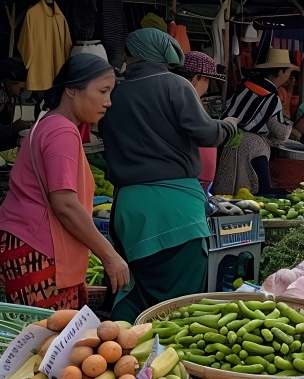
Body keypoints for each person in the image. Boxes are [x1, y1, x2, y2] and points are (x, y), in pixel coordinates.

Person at [100, 28, 237, 322]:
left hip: (129, 207)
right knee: (178, 300)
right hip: (175, 209)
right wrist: (229, 125)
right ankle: (163, 358)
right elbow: (206, 133)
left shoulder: (113, 93)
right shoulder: (176, 85)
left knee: (134, 286)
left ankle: (115, 345)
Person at [0, 55, 129, 309]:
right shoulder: (62, 131)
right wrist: (109, 255)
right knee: (47, 341)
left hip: (25, 243)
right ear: (71, 89)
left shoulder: (46, 124)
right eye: (102, 91)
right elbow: (65, 204)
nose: (108, 102)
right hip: (40, 251)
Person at [216, 49, 296, 196]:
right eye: (288, 72)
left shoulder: (245, 85)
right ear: (280, 72)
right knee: (258, 193)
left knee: (226, 193)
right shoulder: (271, 97)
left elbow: (228, 108)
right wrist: (288, 126)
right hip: (253, 147)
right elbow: (280, 133)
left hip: (228, 141)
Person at [176, 51, 227, 192]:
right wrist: (228, 125)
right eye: (206, 80)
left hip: (195, 179)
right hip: (190, 180)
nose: (208, 86)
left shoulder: (184, 99)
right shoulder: (185, 103)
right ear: (196, 79)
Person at [0, 59, 33, 151]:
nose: (20, 93)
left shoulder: (10, 97)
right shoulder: (2, 96)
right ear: (8, 82)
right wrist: (13, 128)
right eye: (21, 89)